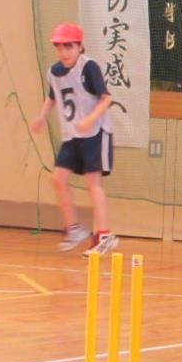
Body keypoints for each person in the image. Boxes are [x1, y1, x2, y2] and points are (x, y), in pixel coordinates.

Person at [29, 23, 118, 254]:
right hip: (72, 135)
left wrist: (90, 119)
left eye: (69, 46)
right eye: (59, 47)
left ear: (79, 46)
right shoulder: (54, 72)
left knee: (92, 183)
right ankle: (74, 228)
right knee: (58, 178)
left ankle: (105, 234)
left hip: (95, 133)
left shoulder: (88, 67)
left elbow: (106, 98)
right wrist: (41, 118)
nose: (64, 52)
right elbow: (52, 98)